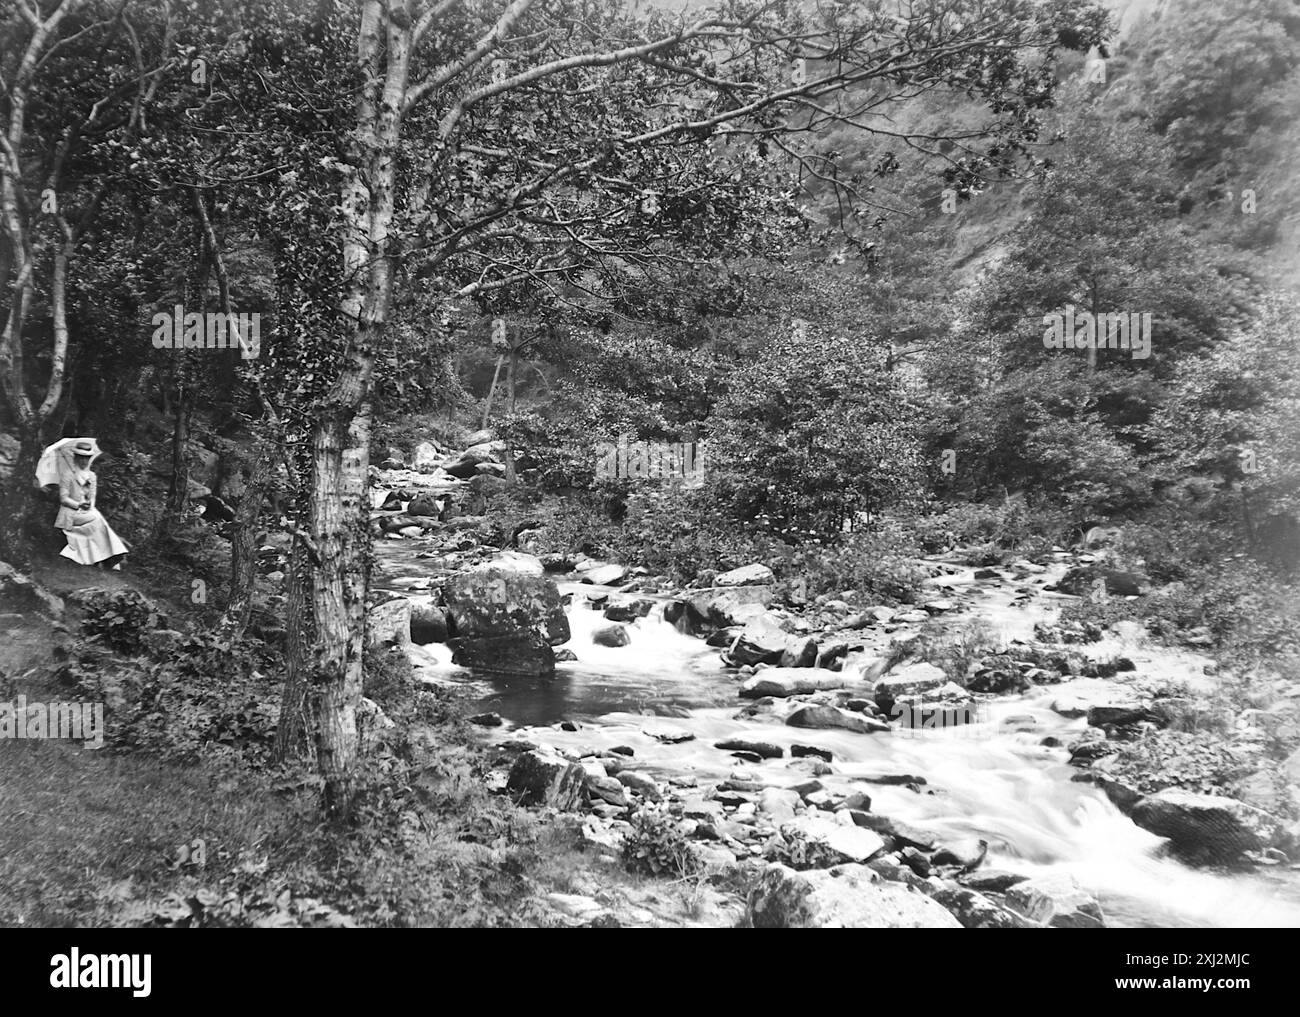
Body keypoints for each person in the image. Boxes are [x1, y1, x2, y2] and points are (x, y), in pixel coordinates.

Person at [55, 439, 129, 569]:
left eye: (87, 458)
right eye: (82, 458)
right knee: (97, 519)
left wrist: (89, 505)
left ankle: (106, 558)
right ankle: (110, 556)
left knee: (96, 518)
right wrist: (78, 505)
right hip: (70, 513)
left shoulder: (92, 476)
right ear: (76, 458)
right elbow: (64, 499)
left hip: (86, 511)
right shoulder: (67, 475)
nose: (84, 461)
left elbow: (92, 497)